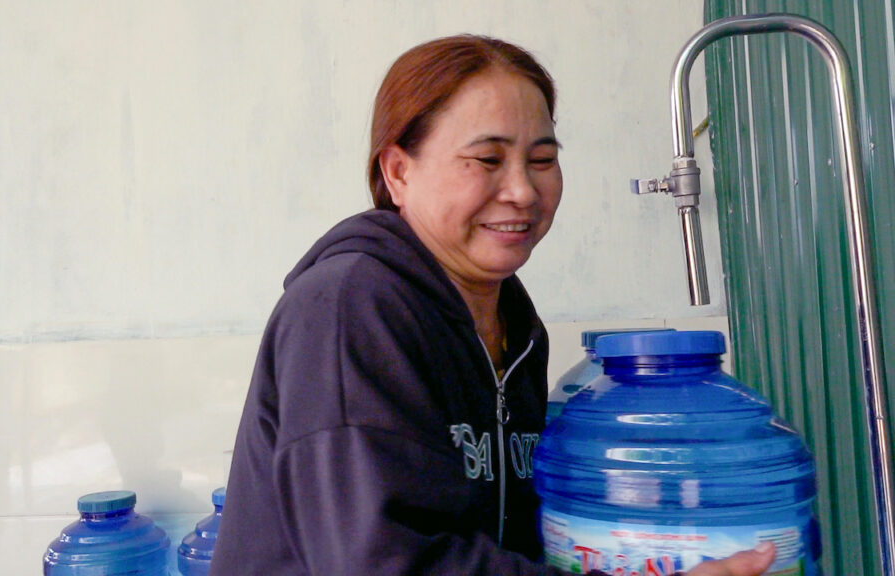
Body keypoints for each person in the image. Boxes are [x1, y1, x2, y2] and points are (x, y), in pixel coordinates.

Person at [209, 35, 776, 576]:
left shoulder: (516, 327)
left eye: (542, 159)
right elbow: (380, 562)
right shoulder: (350, 306)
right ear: (398, 172)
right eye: (486, 159)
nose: (523, 191)